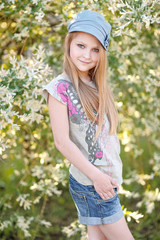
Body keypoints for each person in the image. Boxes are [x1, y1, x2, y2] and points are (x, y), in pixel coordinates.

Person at [42, 10, 134, 240]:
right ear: (69, 44)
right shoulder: (59, 89)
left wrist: (111, 176)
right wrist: (98, 177)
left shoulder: (95, 83)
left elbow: (106, 138)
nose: (87, 55)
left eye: (95, 49)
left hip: (103, 181)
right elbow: (62, 142)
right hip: (91, 183)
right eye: (81, 46)